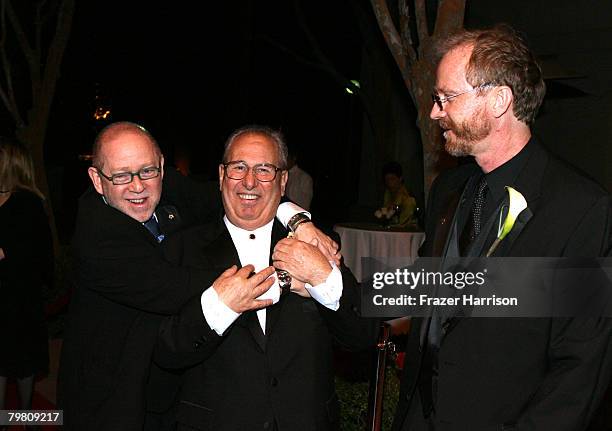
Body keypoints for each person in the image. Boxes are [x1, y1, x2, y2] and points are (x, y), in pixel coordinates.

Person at [391, 25, 612, 430]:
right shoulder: (448, 189)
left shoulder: (580, 208)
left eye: (446, 98)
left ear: (498, 100)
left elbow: (580, 369)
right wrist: (331, 280)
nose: (436, 112)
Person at [57, 121, 339, 431]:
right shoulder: (95, 239)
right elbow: (175, 286)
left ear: (162, 167)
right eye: (122, 176)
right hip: (108, 398)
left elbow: (243, 190)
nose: (137, 186)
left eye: (148, 171)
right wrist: (288, 276)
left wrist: (297, 219)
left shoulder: (161, 185)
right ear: (98, 180)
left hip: (164, 398)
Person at [152, 125, 378, 431]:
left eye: (264, 169)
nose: (249, 181)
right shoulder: (181, 249)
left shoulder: (317, 244)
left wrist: (323, 279)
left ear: (283, 180)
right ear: (221, 176)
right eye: (239, 167)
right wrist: (219, 307)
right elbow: (164, 351)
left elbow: (361, 335)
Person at [0, 138, 52, 417]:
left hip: (20, 300)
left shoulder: (28, 202)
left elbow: (37, 254)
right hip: (3, 298)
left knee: (22, 363)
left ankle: (26, 416)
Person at [380, 161, 417, 227]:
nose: (390, 183)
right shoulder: (387, 193)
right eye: (387, 180)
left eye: (392, 179)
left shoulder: (408, 199)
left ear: (400, 179)